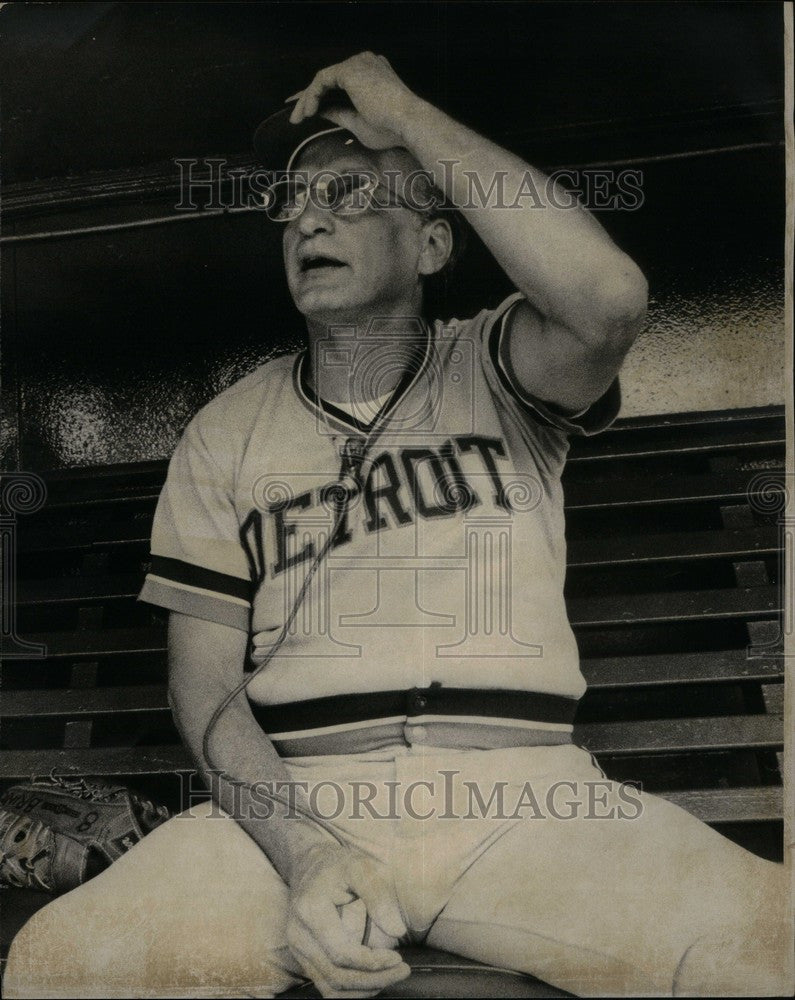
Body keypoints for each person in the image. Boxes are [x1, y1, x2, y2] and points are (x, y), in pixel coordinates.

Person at [4, 52, 789, 999]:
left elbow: (609, 300)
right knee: (54, 966)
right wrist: (302, 855)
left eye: (347, 192)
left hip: (527, 801)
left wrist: (407, 117)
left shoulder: (501, 367)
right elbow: (203, 686)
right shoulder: (224, 432)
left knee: (770, 948)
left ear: (430, 246)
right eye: (292, 204)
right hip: (298, 803)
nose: (309, 218)